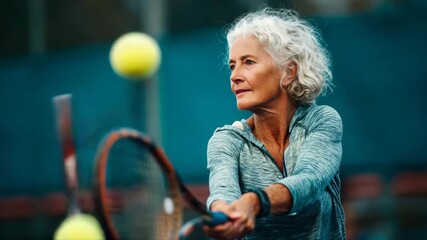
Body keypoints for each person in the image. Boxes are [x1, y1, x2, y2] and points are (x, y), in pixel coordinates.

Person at [204, 7, 345, 240]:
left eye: (248, 62)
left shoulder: (322, 121)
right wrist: (223, 212)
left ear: (288, 72)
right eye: (232, 65)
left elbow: (309, 180)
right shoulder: (226, 140)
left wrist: (254, 203)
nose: (234, 75)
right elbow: (222, 192)